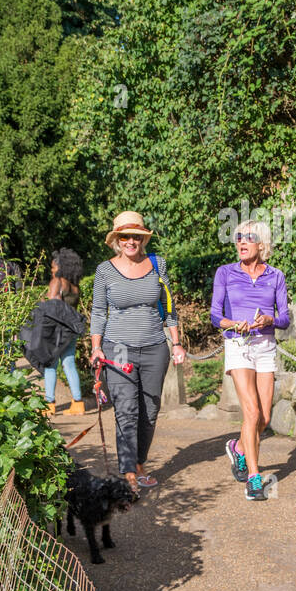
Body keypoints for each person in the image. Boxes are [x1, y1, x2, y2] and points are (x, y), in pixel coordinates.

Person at [89, 211, 186, 493]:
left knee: (150, 410)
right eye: (125, 236)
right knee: (127, 409)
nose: (131, 241)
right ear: (117, 240)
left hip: (155, 347)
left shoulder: (158, 264)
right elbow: (98, 311)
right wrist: (96, 347)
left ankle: (140, 461)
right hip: (117, 348)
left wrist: (176, 343)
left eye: (136, 236)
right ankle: (130, 470)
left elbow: (168, 307)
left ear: (143, 238)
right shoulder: (104, 271)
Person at [210, 220, 289, 501]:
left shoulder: (276, 276)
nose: (242, 242)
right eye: (238, 237)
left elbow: (285, 318)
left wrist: (270, 319)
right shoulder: (225, 273)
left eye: (249, 238)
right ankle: (254, 479)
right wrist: (233, 323)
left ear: (262, 244)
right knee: (252, 413)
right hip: (238, 344)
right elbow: (215, 316)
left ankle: (239, 449)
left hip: (265, 345)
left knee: (264, 419)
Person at [42, 248, 85, 416]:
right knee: (68, 364)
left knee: (50, 365)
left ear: (60, 266)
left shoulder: (57, 281)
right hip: (71, 330)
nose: (51, 269)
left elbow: (51, 305)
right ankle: (78, 403)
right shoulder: (75, 286)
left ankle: (49, 404)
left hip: (56, 330)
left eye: (53, 266)